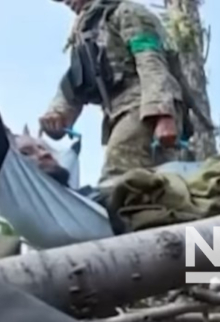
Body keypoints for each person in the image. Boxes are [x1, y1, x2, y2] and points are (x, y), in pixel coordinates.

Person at [38, 0, 187, 187]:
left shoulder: (127, 13)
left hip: (142, 108)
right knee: (141, 187)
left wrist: (163, 113)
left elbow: (151, 60)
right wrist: (58, 114)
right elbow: (77, 79)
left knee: (117, 180)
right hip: (117, 113)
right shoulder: (86, 30)